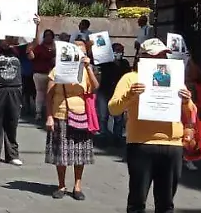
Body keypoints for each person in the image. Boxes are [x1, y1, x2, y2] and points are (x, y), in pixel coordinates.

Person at [108, 38, 196, 213]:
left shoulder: (175, 77)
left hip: (172, 144)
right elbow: (113, 108)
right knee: (138, 194)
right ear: (143, 57)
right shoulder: (131, 78)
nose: (160, 59)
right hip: (141, 143)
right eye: (155, 55)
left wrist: (186, 101)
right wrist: (131, 95)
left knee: (166, 197)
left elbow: (191, 112)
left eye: (163, 55)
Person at [45, 38, 98, 199]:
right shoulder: (57, 70)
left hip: (81, 115)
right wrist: (49, 117)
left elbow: (95, 87)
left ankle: (77, 186)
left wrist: (88, 68)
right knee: (61, 153)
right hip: (61, 113)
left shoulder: (87, 71)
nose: (80, 52)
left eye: (82, 50)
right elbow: (49, 96)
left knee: (79, 154)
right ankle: (61, 185)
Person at [0, 30, 24, 166]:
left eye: (10, 37)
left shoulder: (18, 51)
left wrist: (37, 26)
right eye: (5, 38)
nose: (8, 40)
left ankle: (12, 155)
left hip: (15, 89)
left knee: (12, 122)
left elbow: (35, 43)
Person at [95, 42, 131, 148]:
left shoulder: (124, 63)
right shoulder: (106, 62)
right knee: (103, 116)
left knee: (118, 117)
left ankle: (117, 137)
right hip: (104, 91)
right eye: (116, 51)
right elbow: (96, 61)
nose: (118, 53)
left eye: (120, 51)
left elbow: (127, 75)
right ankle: (103, 136)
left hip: (118, 93)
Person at [30, 29, 56, 121]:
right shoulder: (39, 48)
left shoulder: (56, 48)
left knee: (51, 94)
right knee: (40, 93)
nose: (48, 37)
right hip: (40, 74)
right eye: (46, 35)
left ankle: (49, 113)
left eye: (50, 35)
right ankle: (39, 112)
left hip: (53, 75)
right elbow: (32, 57)